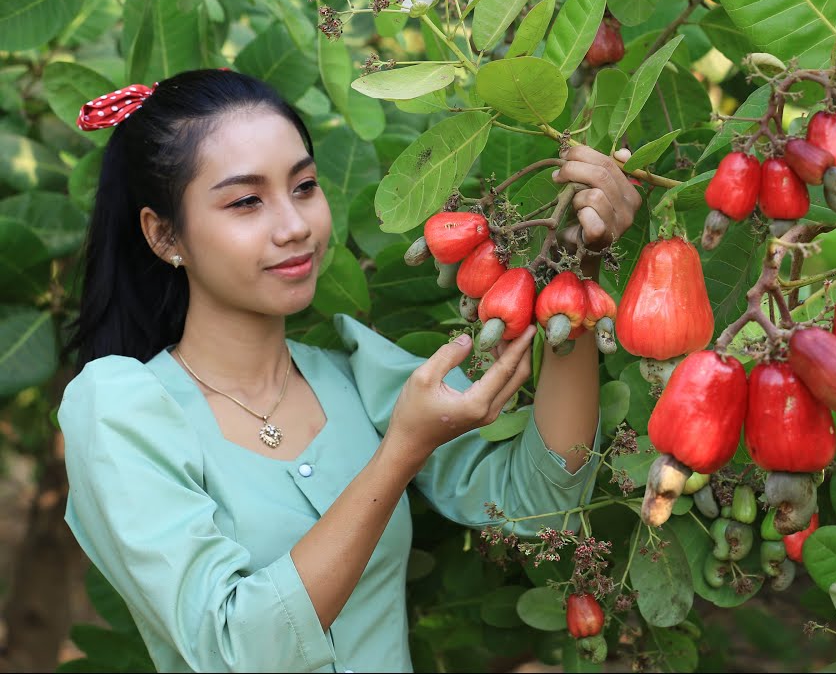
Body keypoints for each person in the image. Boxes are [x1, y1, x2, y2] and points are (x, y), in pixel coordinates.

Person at [57, 68, 643, 672]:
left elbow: (543, 500)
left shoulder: (356, 376)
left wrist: (579, 270)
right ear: (163, 234)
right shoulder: (119, 412)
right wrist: (400, 453)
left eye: (304, 186)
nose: (294, 227)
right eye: (246, 201)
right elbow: (236, 648)